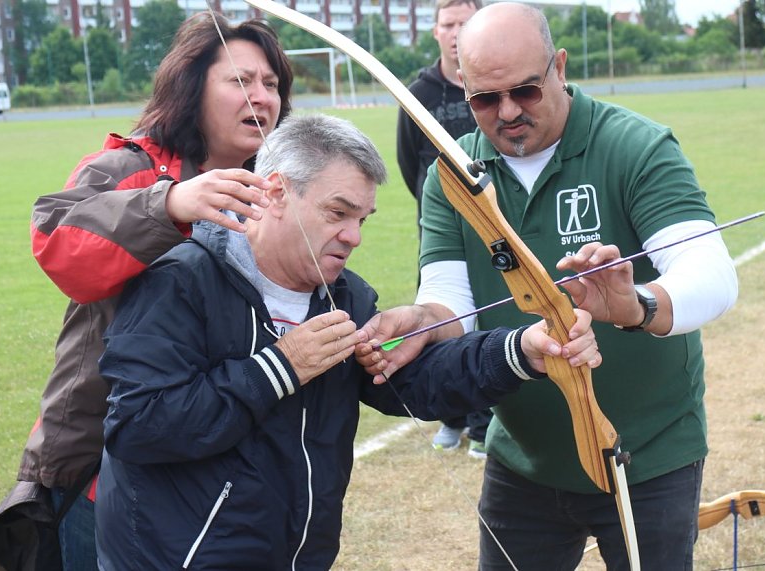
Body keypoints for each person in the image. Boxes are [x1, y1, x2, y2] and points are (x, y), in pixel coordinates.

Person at [92, 113, 602, 569]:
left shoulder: (343, 296)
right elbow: (138, 425)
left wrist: (520, 351)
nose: (354, 236)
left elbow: (409, 379)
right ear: (275, 192)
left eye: (361, 219)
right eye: (338, 213)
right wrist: (279, 368)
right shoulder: (180, 281)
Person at [357, 3, 739, 569]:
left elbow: (711, 273)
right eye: (485, 99)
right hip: (523, 457)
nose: (509, 111)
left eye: (526, 91)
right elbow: (451, 302)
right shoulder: (451, 178)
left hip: (647, 456)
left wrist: (635, 305)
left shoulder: (635, 146)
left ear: (559, 67)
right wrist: (424, 321)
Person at [16, 13, 292, 569]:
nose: (261, 97)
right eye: (240, 81)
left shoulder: (276, 188)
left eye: (271, 83)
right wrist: (170, 205)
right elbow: (56, 242)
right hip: (101, 470)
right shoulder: (132, 168)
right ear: (192, 88)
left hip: (221, 463)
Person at [396, 0, 492, 458]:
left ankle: (484, 423)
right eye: (448, 24)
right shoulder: (419, 93)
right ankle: (451, 417)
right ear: (435, 31)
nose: (456, 32)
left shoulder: (491, 85)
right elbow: (407, 160)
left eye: (465, 23)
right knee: (440, 315)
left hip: (490, 225)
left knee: (487, 314)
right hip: (438, 229)